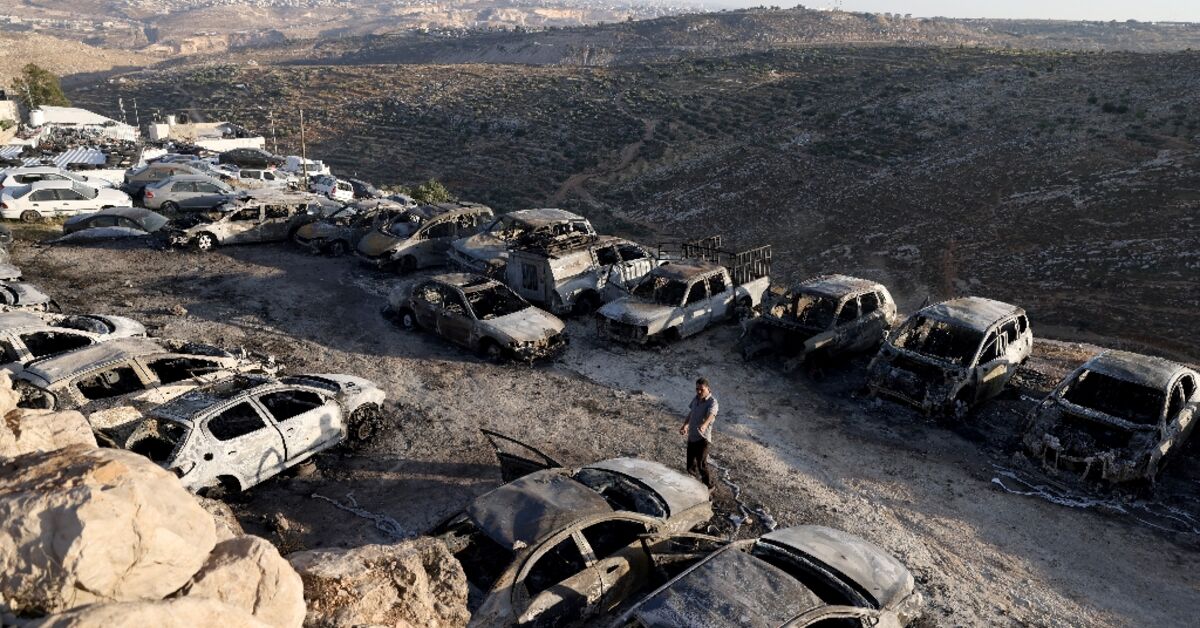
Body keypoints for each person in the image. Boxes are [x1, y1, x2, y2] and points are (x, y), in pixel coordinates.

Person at [679, 377, 718, 489]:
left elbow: (712, 415)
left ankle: (709, 487)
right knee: (690, 465)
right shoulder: (696, 399)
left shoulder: (712, 402)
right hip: (692, 437)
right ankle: (692, 486)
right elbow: (691, 413)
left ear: (708, 389)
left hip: (702, 438)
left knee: (701, 464)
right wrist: (685, 425)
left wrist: (704, 425)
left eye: (702, 389)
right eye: (697, 389)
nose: (699, 391)